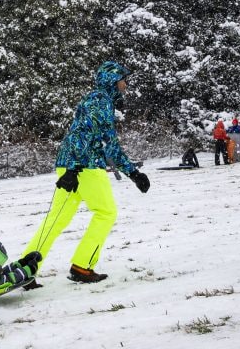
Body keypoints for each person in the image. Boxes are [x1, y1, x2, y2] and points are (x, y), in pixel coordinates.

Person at [22, 61, 150, 284]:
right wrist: (75, 167)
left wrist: (132, 173)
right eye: (123, 79)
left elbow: (105, 142)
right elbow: (84, 135)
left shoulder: (96, 99)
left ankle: (25, 269)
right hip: (85, 165)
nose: (125, 84)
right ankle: (83, 266)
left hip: (71, 164)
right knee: (106, 213)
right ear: (112, 81)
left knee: (56, 219)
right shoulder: (100, 101)